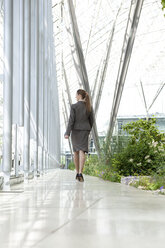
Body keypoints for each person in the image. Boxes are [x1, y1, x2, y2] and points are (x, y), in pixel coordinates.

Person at [64, 89, 94, 182]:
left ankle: (77, 172)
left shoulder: (74, 106)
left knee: (76, 152)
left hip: (76, 131)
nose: (75, 97)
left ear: (79, 96)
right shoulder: (89, 106)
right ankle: (81, 172)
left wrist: (67, 133)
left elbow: (71, 121)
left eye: (76, 95)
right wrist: (88, 130)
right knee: (82, 151)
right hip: (85, 130)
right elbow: (91, 121)